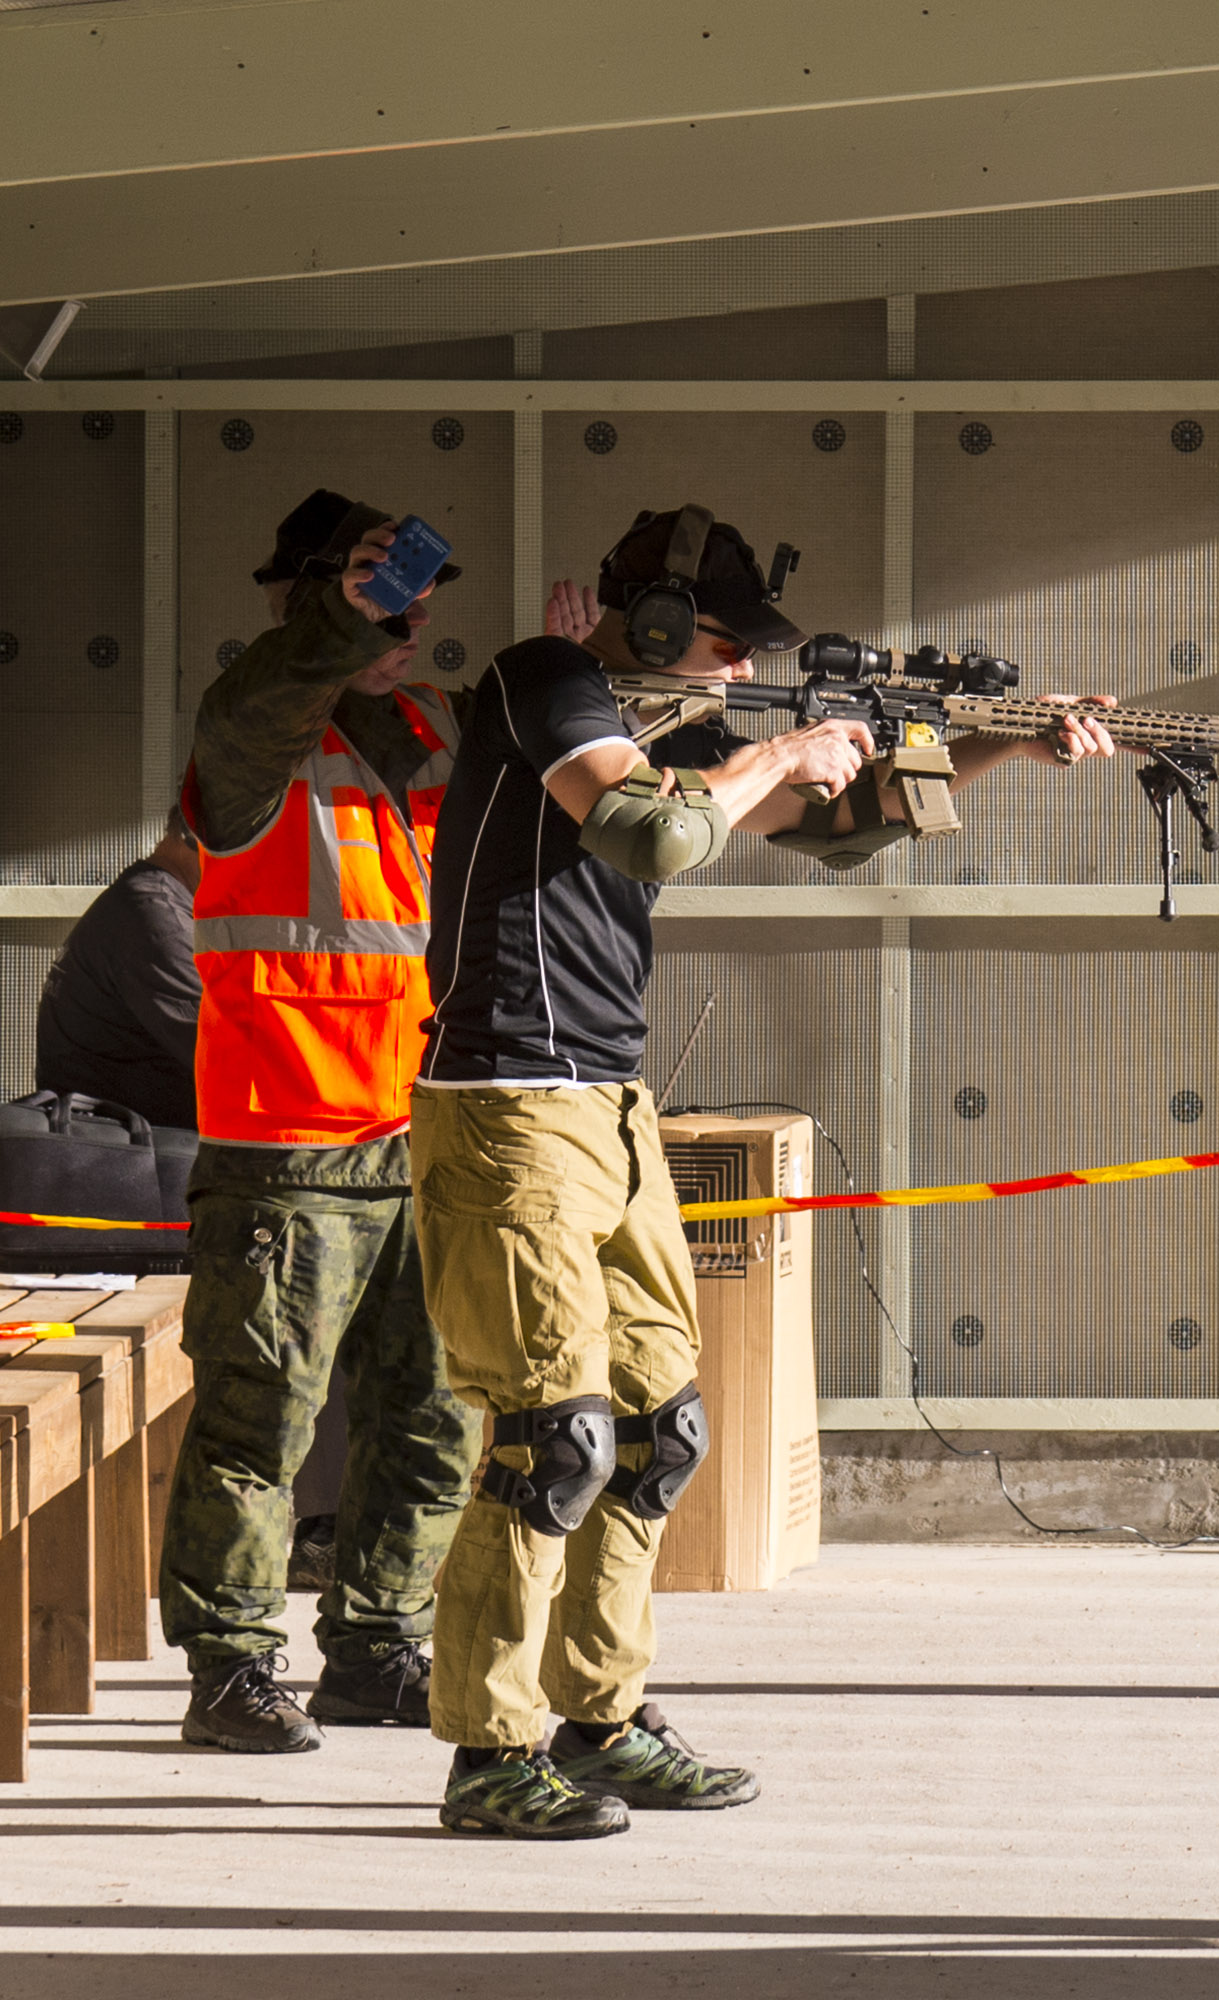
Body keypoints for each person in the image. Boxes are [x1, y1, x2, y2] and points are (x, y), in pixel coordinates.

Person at [412, 504, 1117, 1838]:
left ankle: (599, 1719)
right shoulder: (546, 681)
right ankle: (489, 1753)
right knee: (550, 1439)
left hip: (609, 1107)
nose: (742, 671)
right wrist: (778, 750)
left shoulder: (675, 732)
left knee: (654, 1432)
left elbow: (841, 828)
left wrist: (1004, 742)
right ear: (657, 622)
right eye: (727, 645)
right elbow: (650, 832)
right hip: (508, 1105)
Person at [159, 490, 485, 1754]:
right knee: (260, 1423)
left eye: (409, 606)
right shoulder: (252, 731)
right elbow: (267, 696)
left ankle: (377, 1648)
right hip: (286, 1143)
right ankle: (230, 1668)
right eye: (373, 603)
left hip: (422, 1133)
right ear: (305, 600)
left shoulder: (430, 729)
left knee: (436, 1414)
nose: (403, 626)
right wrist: (337, 622)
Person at [35, 807, 202, 1131]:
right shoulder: (156, 921)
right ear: (196, 836)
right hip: (128, 1150)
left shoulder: (145, 900)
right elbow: (236, 1059)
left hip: (126, 1142)